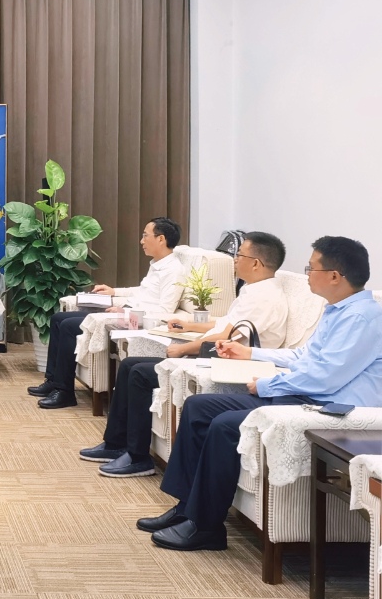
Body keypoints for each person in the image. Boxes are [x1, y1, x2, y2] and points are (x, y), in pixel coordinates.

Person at [139, 236, 382, 551]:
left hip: (327, 408)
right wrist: (249, 353)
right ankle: (187, 508)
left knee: (225, 425)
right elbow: (303, 357)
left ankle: (206, 528)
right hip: (306, 396)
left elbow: (325, 378)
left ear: (335, 276)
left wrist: (268, 385)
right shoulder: (337, 310)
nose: (307, 274)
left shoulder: (361, 319)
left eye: (312, 268)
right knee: (199, 407)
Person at [80, 232, 290, 478]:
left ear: (255, 263)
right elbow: (224, 323)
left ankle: (138, 458)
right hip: (217, 355)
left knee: (139, 373)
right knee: (130, 365)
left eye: (239, 255)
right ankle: (115, 444)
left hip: (231, 365)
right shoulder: (253, 290)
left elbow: (224, 337)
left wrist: (182, 350)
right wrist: (189, 325)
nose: (234, 259)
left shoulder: (264, 297)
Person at [34, 217, 190, 409]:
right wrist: (114, 291)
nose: (141, 241)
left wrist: (125, 311)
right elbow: (142, 292)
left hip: (135, 319)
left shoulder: (174, 270)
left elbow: (165, 311)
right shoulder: (158, 264)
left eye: (145, 236)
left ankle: (64, 392)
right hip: (127, 312)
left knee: (68, 326)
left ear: (161, 239)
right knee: (58, 318)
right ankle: (52, 380)